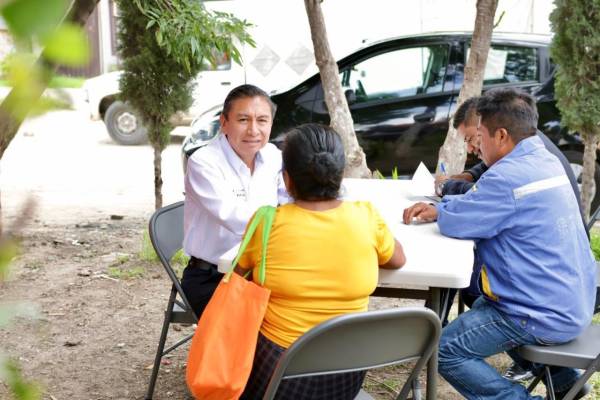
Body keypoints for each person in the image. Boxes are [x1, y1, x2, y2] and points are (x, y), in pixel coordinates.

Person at [403, 87, 596, 400]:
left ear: (502, 135)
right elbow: (477, 207)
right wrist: (445, 208)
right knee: (481, 304)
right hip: (572, 300)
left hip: (539, 313)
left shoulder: (507, 176)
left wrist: (440, 210)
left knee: (444, 350)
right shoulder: (544, 158)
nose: (477, 147)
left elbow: (463, 221)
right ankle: (564, 385)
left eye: (479, 135)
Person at [234, 123, 406, 400]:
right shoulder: (365, 216)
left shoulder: (266, 222)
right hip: (347, 368)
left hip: (278, 368)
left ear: (287, 179)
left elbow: (238, 273)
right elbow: (397, 259)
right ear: (340, 175)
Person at [181, 84, 288, 317]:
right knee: (276, 324)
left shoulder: (273, 156)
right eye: (243, 120)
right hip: (213, 278)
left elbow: (292, 200)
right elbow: (239, 220)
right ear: (224, 122)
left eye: (262, 120)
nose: (253, 130)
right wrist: (292, 229)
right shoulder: (204, 162)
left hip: (261, 270)